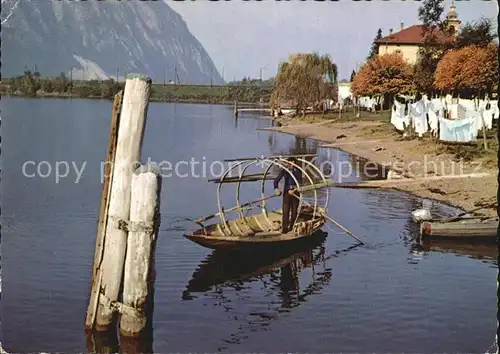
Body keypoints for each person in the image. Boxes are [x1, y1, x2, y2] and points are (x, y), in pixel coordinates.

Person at [273, 157, 302, 233]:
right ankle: (285, 229)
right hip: (286, 193)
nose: (291, 165)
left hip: (295, 194)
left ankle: (292, 227)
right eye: (289, 163)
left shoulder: (298, 171)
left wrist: (294, 190)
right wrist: (277, 189)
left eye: (292, 163)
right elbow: (276, 181)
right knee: (285, 211)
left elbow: (300, 184)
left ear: (295, 164)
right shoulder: (285, 171)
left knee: (294, 211)